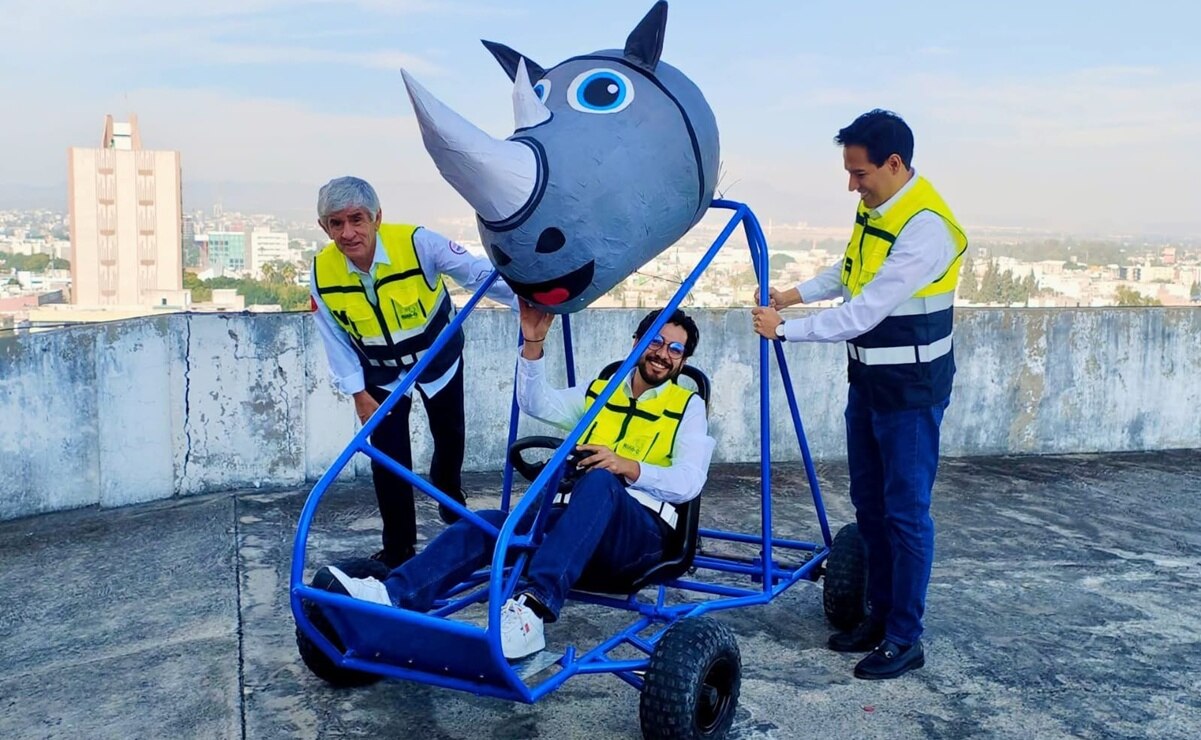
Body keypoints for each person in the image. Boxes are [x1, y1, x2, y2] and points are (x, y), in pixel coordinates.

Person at [315, 303, 715, 659]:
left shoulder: (688, 407)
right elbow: (536, 402)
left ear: (682, 362)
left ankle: (531, 610)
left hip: (640, 538)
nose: (662, 354)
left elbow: (689, 482)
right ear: (636, 342)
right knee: (491, 522)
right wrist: (533, 343)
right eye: (655, 341)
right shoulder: (600, 391)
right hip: (577, 525)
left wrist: (625, 465)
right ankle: (391, 595)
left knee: (599, 481)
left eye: (674, 350)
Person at [751, 109, 967, 680]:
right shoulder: (878, 208)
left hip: (911, 392)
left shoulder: (925, 228)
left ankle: (904, 636)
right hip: (868, 383)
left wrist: (785, 329)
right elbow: (850, 273)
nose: (852, 184)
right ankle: (878, 615)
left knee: (906, 514)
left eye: (860, 173)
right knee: (871, 507)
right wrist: (790, 296)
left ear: (894, 164)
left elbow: (865, 311)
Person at [311, 176, 517, 570]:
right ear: (325, 228)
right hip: (382, 375)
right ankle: (398, 548)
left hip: (437, 360)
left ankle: (449, 495)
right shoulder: (322, 273)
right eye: (336, 224)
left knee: (450, 436)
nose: (349, 232)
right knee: (388, 460)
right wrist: (358, 393)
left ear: (377, 218)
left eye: (357, 219)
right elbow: (334, 338)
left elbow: (475, 273)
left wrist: (527, 302)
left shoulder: (417, 243)